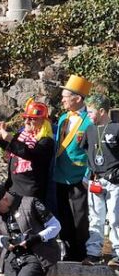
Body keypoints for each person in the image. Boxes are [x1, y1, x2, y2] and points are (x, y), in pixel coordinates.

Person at [54, 75, 93, 262]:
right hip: (60, 175)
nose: (62, 100)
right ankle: (68, 251)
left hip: (79, 176)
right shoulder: (63, 118)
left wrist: (88, 175)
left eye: (65, 96)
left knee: (80, 217)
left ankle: (81, 252)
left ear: (78, 98)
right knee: (64, 216)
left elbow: (93, 151)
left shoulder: (89, 121)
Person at [81, 94, 119, 267]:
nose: (88, 115)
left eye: (90, 112)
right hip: (96, 180)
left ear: (102, 111)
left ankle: (117, 253)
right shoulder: (89, 130)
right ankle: (94, 253)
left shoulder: (116, 128)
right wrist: (86, 175)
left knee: (115, 217)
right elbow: (87, 152)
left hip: (114, 181)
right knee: (95, 218)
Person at [0, 99, 55, 202]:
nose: (26, 122)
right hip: (13, 187)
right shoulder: (22, 135)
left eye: (32, 119)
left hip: (29, 191)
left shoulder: (46, 141)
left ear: (43, 121)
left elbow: (28, 153)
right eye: (26, 118)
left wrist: (10, 139)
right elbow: (12, 148)